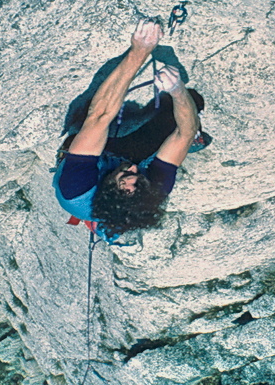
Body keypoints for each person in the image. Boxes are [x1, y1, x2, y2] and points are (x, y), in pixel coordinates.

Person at [53, 19, 208, 240]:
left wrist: (140, 50)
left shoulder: (76, 189)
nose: (134, 169)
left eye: (126, 175)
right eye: (139, 177)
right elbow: (185, 133)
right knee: (190, 105)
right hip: (124, 158)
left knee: (91, 122)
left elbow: (99, 116)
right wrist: (177, 90)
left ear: (106, 189)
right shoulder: (152, 191)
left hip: (91, 159)